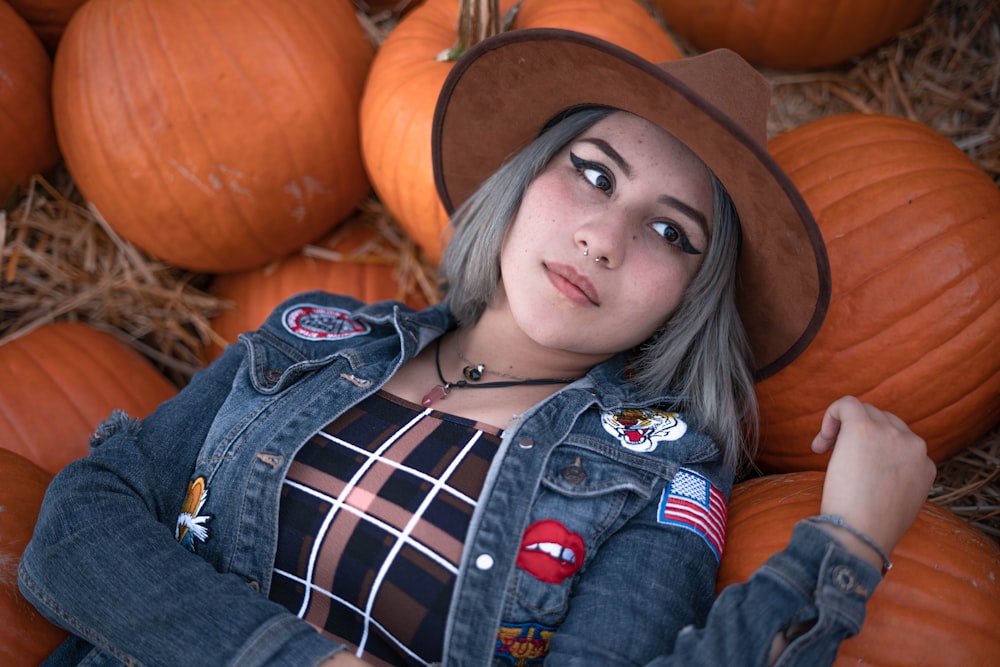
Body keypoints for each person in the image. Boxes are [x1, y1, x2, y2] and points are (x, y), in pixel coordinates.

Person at [19, 28, 935, 667]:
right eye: (593, 173)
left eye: (672, 233)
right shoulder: (313, 336)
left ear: (694, 297)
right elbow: (75, 527)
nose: (603, 239)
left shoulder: (658, 473)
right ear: (525, 176)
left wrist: (844, 545)